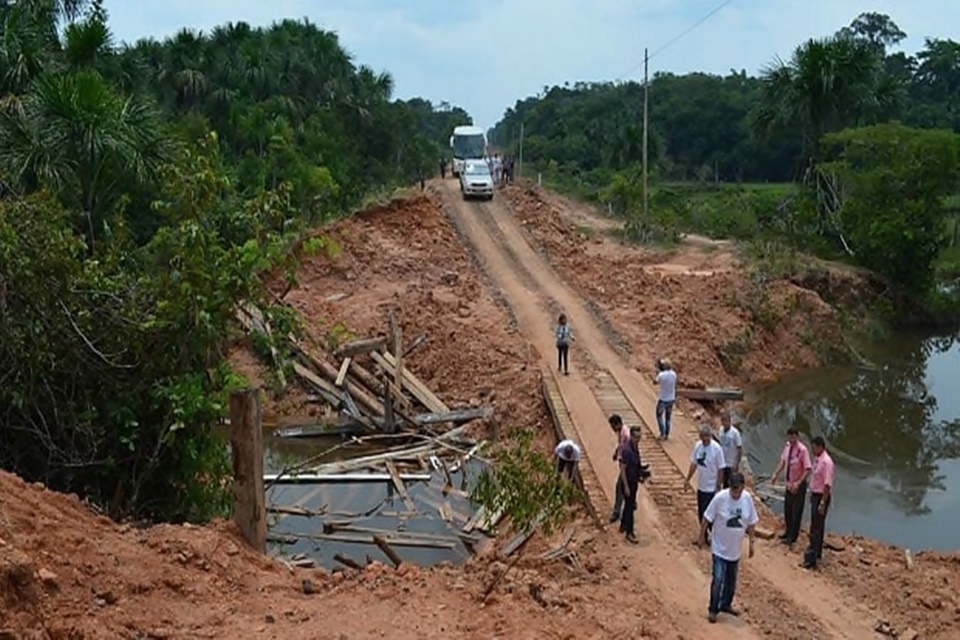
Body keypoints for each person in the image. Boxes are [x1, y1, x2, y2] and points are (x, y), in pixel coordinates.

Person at [699, 472, 758, 624]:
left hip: (734, 550)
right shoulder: (720, 498)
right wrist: (701, 536)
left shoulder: (747, 499)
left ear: (743, 487)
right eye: (733, 490)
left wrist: (751, 542)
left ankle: (725, 604)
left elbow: (751, 522)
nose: (735, 493)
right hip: (719, 548)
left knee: (731, 580)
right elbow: (706, 518)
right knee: (718, 578)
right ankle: (713, 609)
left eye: (738, 490)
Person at [768, 426, 812, 545]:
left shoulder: (802, 450)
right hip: (789, 483)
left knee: (796, 511)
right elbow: (783, 462)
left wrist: (798, 483)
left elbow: (808, 469)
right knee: (787, 509)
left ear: (797, 437)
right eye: (789, 437)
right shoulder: (787, 448)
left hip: (798, 484)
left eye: (794, 437)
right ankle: (787, 532)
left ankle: (793, 537)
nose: (792, 439)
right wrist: (775, 474)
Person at [685, 425, 725, 536]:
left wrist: (718, 484)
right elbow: (694, 463)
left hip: (711, 488)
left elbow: (721, 467)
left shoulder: (717, 449)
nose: (705, 439)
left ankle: (715, 535)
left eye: (707, 436)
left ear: (710, 436)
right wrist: (688, 479)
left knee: (710, 514)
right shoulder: (698, 446)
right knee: (701, 512)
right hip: (701, 486)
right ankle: (705, 536)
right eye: (703, 437)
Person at [803, 436, 834, 569]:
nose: (813, 450)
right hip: (816, 494)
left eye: (814, 448)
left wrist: (822, 502)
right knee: (817, 526)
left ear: (821, 446)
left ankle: (811, 558)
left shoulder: (826, 462)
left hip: (822, 496)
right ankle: (816, 553)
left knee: (816, 528)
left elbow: (827, 484)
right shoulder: (818, 459)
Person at [618, 426, 644, 544]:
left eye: (639, 437)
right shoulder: (627, 450)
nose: (638, 440)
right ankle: (630, 532)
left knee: (629, 504)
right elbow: (622, 469)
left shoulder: (634, 447)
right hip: (628, 481)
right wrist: (626, 486)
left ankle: (623, 525)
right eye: (636, 437)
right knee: (630, 507)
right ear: (631, 436)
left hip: (633, 480)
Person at [608, 414, 630, 523]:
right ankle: (631, 502)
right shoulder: (622, 432)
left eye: (612, 426)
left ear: (618, 424)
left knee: (619, 487)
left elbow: (626, 449)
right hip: (625, 462)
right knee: (627, 484)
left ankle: (617, 512)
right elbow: (621, 445)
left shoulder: (625, 434)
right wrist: (616, 452)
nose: (612, 429)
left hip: (626, 464)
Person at [716, 411, 743, 489]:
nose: (724, 423)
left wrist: (736, 463)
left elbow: (740, 449)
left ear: (730, 421)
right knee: (720, 481)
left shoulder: (735, 433)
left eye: (726, 421)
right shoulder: (721, 430)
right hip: (722, 461)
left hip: (731, 463)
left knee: (730, 483)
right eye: (723, 421)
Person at [653, 358, 677, 440]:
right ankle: (667, 434)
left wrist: (657, 373)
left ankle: (662, 432)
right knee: (668, 417)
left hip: (663, 399)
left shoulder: (661, 375)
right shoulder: (674, 374)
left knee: (659, 415)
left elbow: (654, 382)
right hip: (671, 398)